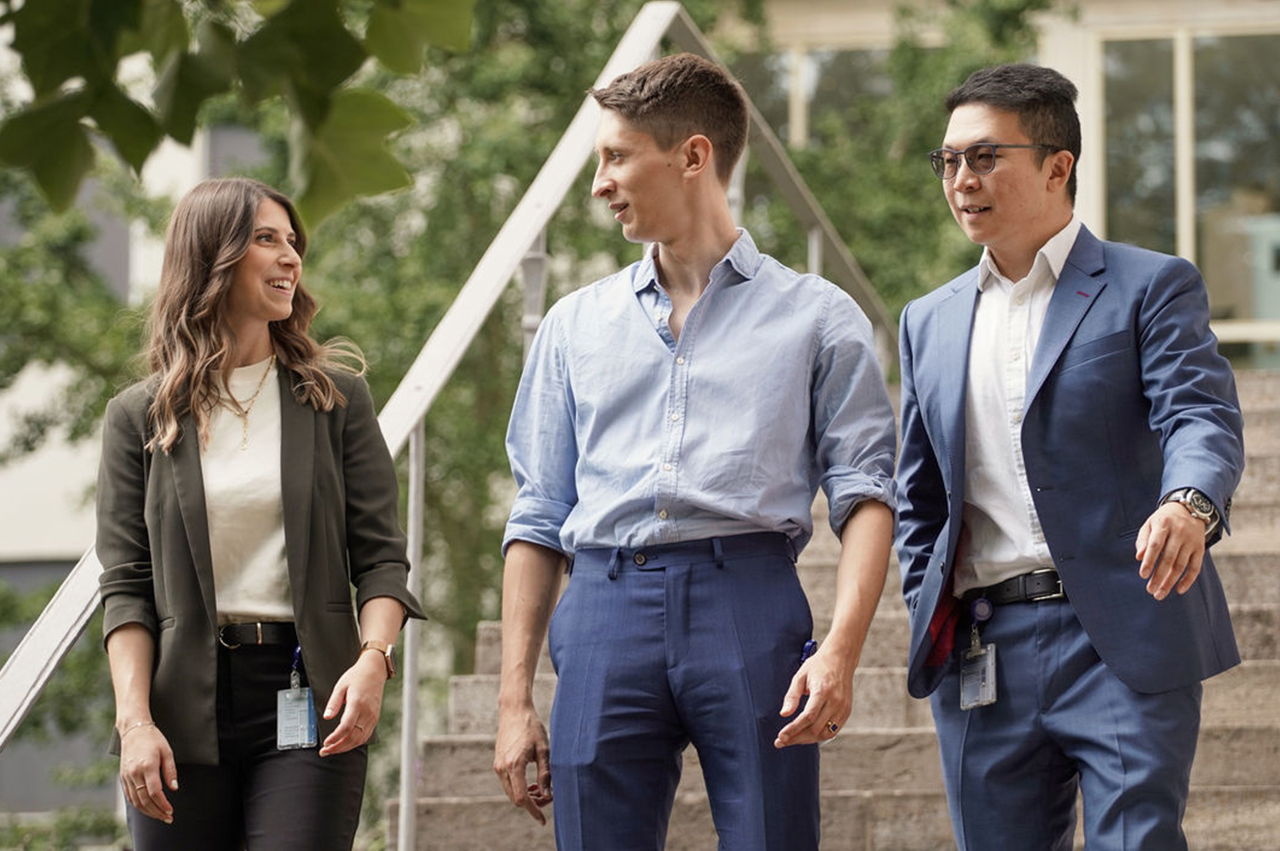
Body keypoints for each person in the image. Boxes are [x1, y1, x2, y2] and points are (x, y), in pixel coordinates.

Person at [491, 52, 897, 851]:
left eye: (615, 157)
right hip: (603, 607)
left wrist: (843, 651)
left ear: (693, 155)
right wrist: (512, 698)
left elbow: (867, 493)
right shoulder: (573, 325)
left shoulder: (818, 317)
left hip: (748, 601)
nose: (599, 183)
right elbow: (538, 513)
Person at [895, 63, 1245, 850]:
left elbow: (1200, 413)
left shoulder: (1149, 286)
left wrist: (1187, 502)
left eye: (985, 157)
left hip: (1120, 630)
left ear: (1059, 166)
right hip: (983, 647)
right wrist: (926, 597)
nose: (960, 179)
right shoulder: (928, 321)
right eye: (947, 161)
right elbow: (919, 495)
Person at [96, 177, 425, 851]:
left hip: (310, 692)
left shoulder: (337, 401)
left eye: (293, 241)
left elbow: (382, 558)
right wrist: (134, 722)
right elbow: (126, 585)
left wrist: (374, 659)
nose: (290, 257)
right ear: (212, 258)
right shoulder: (139, 416)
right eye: (266, 240)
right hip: (179, 708)